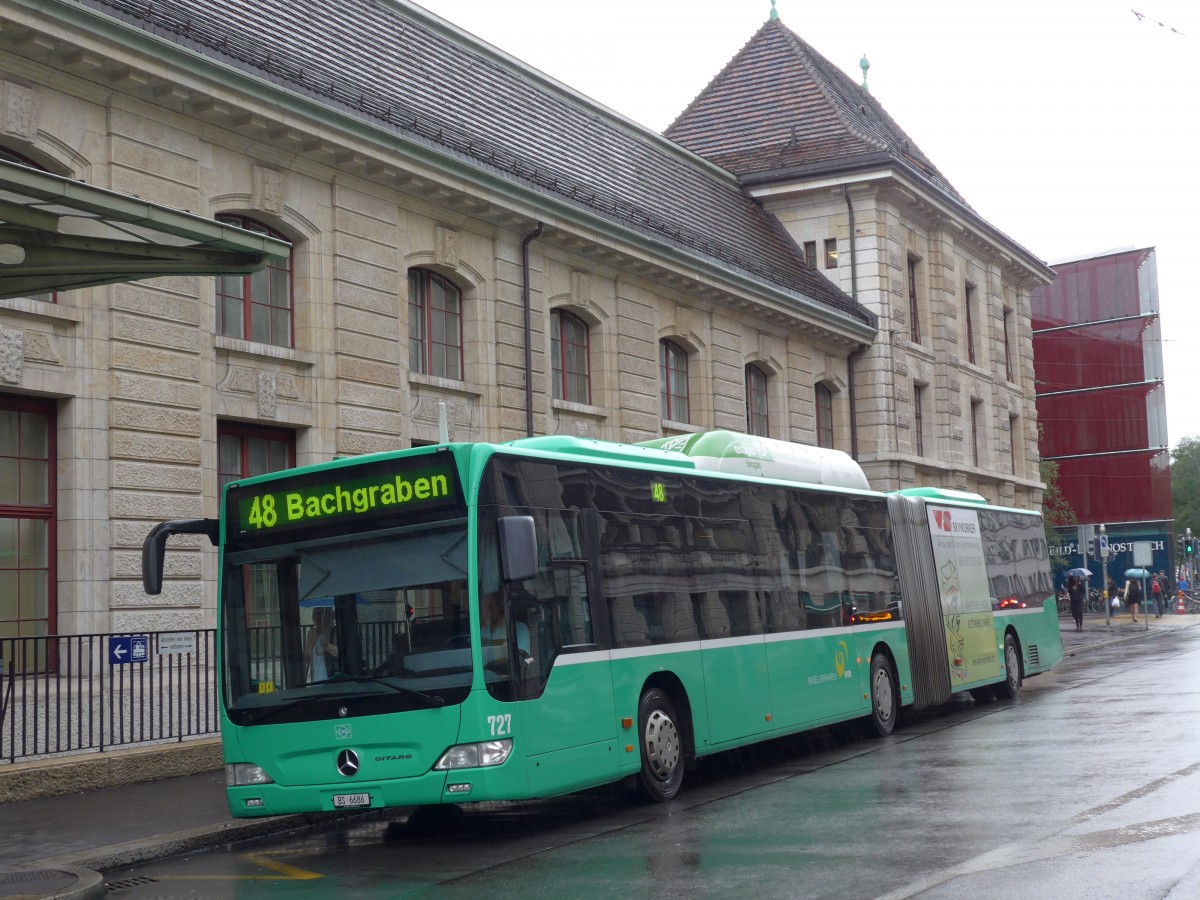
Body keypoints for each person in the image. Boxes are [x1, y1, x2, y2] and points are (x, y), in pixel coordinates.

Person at [305, 606, 339, 682]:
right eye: (316, 613)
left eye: (321, 613)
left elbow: (341, 653)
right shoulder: (311, 633)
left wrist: (329, 647)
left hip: (330, 677)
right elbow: (307, 657)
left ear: (329, 614)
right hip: (315, 677)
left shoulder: (335, 631)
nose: (318, 616)